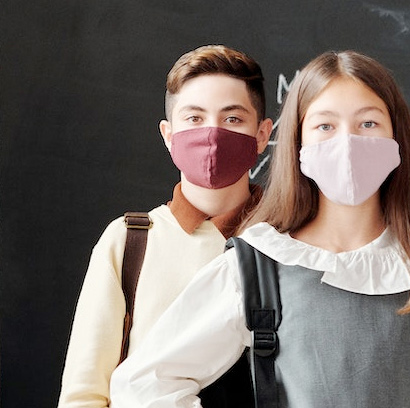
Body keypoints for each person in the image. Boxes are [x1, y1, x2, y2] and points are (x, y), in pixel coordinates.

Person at [110, 51, 410, 407]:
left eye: (368, 123)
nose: (347, 142)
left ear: (396, 137)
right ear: (298, 143)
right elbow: (145, 382)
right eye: (325, 125)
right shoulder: (259, 265)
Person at [58, 45, 271, 407]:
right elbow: (84, 394)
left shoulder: (292, 238)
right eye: (194, 118)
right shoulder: (129, 242)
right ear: (168, 134)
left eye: (232, 119)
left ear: (263, 134)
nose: (212, 135)